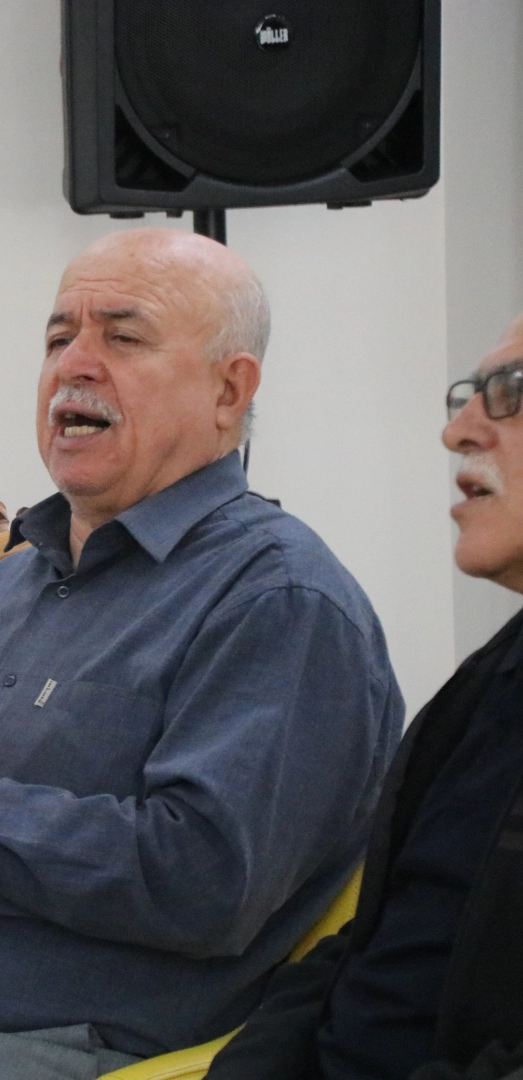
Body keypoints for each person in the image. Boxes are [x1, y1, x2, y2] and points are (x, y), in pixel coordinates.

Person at [0, 228, 403, 1080]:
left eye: (123, 337)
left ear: (229, 390)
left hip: (48, 1055)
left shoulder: (280, 600)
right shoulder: (10, 584)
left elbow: (205, 883)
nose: (75, 364)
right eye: (59, 337)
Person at [207, 313, 523, 1080]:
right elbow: (382, 938)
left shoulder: (286, 595)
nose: (458, 431)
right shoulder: (493, 679)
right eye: (469, 395)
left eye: (513, 392)